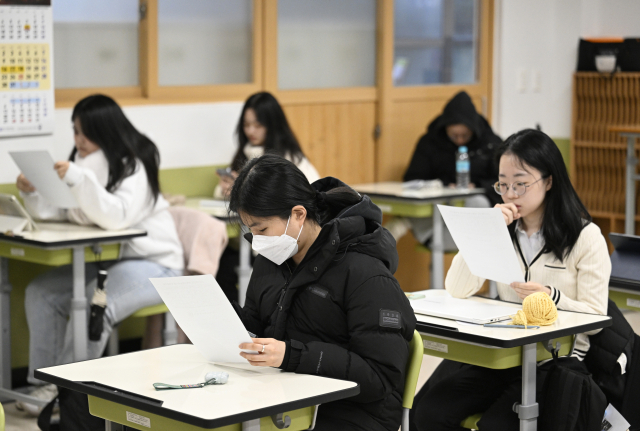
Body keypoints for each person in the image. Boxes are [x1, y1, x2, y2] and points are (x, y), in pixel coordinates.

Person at [410, 129, 611, 430]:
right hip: (503, 356)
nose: (511, 194)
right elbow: (457, 289)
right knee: (426, 412)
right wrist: (484, 230)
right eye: (503, 185)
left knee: (497, 425)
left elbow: (596, 319)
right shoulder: (503, 229)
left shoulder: (585, 237)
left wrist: (552, 297)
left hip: (554, 361)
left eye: (521, 184)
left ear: (548, 181)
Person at [15, 94, 183, 415]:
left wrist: (79, 179)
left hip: (156, 264)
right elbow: (63, 211)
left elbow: (116, 217)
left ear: (104, 130)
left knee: (96, 304)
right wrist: (32, 192)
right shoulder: (86, 163)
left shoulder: (136, 162)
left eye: (84, 132)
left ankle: (68, 393)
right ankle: (44, 383)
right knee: (41, 292)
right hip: (111, 262)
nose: (78, 140)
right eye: (75, 131)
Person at [229, 154, 416, 431]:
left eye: (263, 229)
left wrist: (293, 356)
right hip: (289, 396)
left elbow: (379, 378)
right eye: (252, 231)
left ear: (298, 215)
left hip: (353, 412)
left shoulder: (365, 273)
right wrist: (223, 319)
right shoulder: (271, 262)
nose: (258, 242)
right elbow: (258, 328)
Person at [215, 91, 320, 302]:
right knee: (221, 264)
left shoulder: (289, 160)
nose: (251, 131)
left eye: (258, 125)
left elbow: (312, 194)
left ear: (272, 125)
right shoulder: (244, 154)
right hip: (253, 245)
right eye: (246, 125)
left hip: (282, 246)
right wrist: (227, 188)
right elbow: (223, 195)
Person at [387, 91, 502, 247]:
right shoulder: (430, 142)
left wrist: (478, 185)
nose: (460, 140)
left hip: (476, 208)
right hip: (439, 204)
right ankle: (413, 228)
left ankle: (408, 224)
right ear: (445, 129)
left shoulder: (491, 143)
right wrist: (444, 185)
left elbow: (504, 183)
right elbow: (413, 179)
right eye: (454, 136)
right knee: (425, 202)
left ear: (474, 131)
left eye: (465, 135)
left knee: (478, 202)